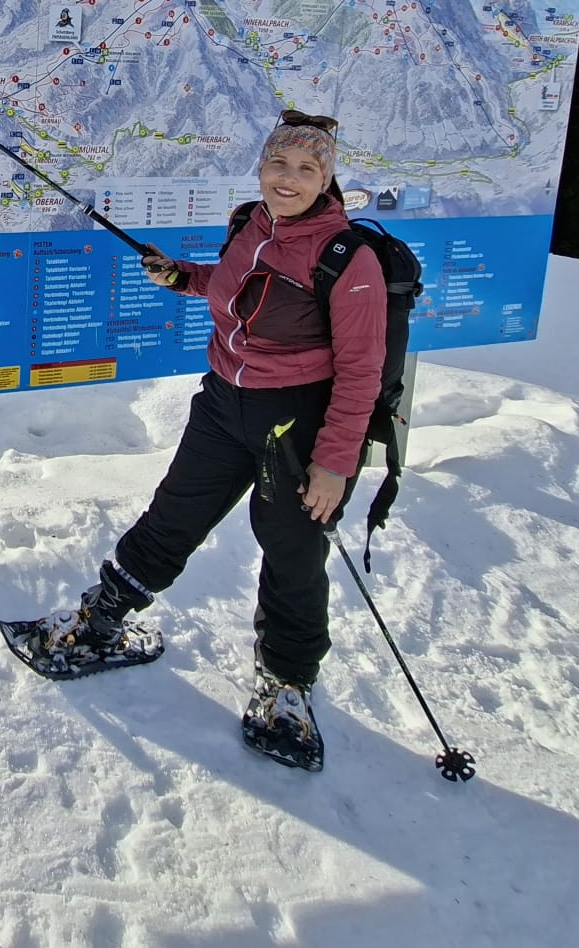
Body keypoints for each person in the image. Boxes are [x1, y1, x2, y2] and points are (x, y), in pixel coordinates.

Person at [30, 110, 386, 771]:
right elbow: (233, 287)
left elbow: (362, 371)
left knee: (291, 552)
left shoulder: (348, 257)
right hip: (224, 403)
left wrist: (334, 464)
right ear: (262, 166)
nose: (289, 178)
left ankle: (287, 685)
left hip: (297, 423)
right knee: (173, 515)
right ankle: (103, 619)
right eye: (280, 163)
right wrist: (182, 276)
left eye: (308, 169)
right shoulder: (251, 224)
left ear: (328, 179)